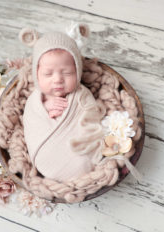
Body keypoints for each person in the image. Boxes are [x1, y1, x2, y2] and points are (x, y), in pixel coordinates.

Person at [22, 29, 104, 182]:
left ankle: (80, 167)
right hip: (45, 155)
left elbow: (93, 121)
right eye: (48, 74)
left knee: (84, 157)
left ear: (78, 72)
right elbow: (31, 119)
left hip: (79, 155)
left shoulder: (82, 94)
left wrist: (74, 118)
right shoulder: (35, 99)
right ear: (36, 74)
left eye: (67, 73)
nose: (58, 79)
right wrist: (45, 107)